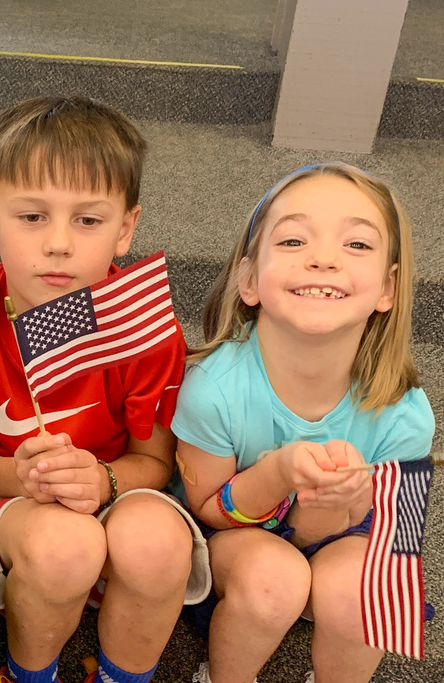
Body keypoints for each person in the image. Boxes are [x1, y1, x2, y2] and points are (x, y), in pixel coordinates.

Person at [0, 96, 211, 683]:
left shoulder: (144, 327)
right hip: (6, 501)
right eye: (32, 216)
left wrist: (103, 481)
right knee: (66, 546)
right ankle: (28, 674)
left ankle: (121, 676)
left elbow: (153, 462)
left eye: (88, 220)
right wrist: (23, 479)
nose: (59, 243)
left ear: (125, 228)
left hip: (115, 488)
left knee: (159, 542)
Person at [171, 163, 435, 683]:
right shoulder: (213, 389)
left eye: (357, 245)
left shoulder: (405, 412)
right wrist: (280, 473)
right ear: (248, 279)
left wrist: (349, 505)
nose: (322, 259)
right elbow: (205, 511)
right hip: (239, 537)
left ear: (388, 287)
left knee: (365, 590)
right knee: (274, 581)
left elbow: (400, 540)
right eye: (293, 240)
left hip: (346, 540)